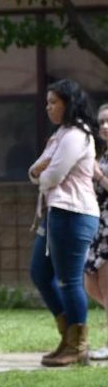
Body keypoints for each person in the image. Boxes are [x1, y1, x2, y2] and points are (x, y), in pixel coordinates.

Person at [28, 79, 100, 367]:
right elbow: (35, 171)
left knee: (69, 280)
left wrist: (42, 173)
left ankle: (77, 345)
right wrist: (40, 172)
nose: (48, 108)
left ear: (68, 103)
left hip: (73, 213)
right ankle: (67, 337)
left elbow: (51, 176)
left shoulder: (76, 136)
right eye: (47, 102)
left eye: (53, 102)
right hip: (54, 212)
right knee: (39, 273)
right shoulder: (60, 135)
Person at [84, 103, 108, 361]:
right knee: (90, 283)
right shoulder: (102, 154)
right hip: (98, 225)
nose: (104, 126)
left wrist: (99, 176)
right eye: (101, 122)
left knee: (104, 282)